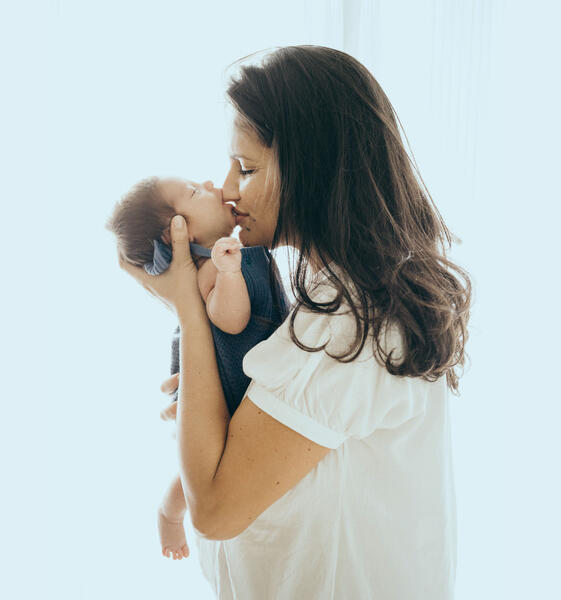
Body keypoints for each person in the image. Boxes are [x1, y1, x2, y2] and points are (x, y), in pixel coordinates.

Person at [119, 45, 472, 599]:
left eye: (249, 168)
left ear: (316, 168)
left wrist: (188, 309)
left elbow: (212, 511)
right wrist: (204, 394)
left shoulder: (347, 324)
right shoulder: (341, 294)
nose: (229, 189)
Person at [106, 175, 289, 561]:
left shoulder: (225, 256)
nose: (209, 184)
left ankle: (172, 509)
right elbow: (233, 319)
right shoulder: (211, 271)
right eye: (194, 191)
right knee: (201, 473)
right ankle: (169, 513)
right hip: (226, 391)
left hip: (230, 389)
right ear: (179, 234)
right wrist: (228, 275)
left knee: (209, 465)